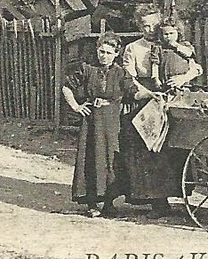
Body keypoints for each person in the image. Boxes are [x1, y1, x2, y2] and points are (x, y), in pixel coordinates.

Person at [120, 14, 203, 215]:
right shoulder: (134, 47)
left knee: (176, 145)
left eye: (153, 25)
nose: (150, 29)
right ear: (139, 26)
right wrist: (149, 92)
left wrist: (184, 77)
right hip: (146, 97)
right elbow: (128, 78)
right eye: (145, 25)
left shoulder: (173, 44)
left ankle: (179, 193)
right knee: (151, 150)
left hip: (174, 95)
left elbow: (196, 67)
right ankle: (157, 201)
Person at [62, 32, 151, 217]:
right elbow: (66, 87)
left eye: (109, 53)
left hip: (112, 123)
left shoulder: (120, 73)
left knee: (111, 160)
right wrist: (76, 107)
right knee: (91, 158)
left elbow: (134, 93)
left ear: (116, 54)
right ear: (97, 50)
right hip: (92, 124)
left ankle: (109, 202)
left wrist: (152, 94)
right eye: (101, 51)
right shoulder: (87, 68)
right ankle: (92, 203)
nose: (104, 56)